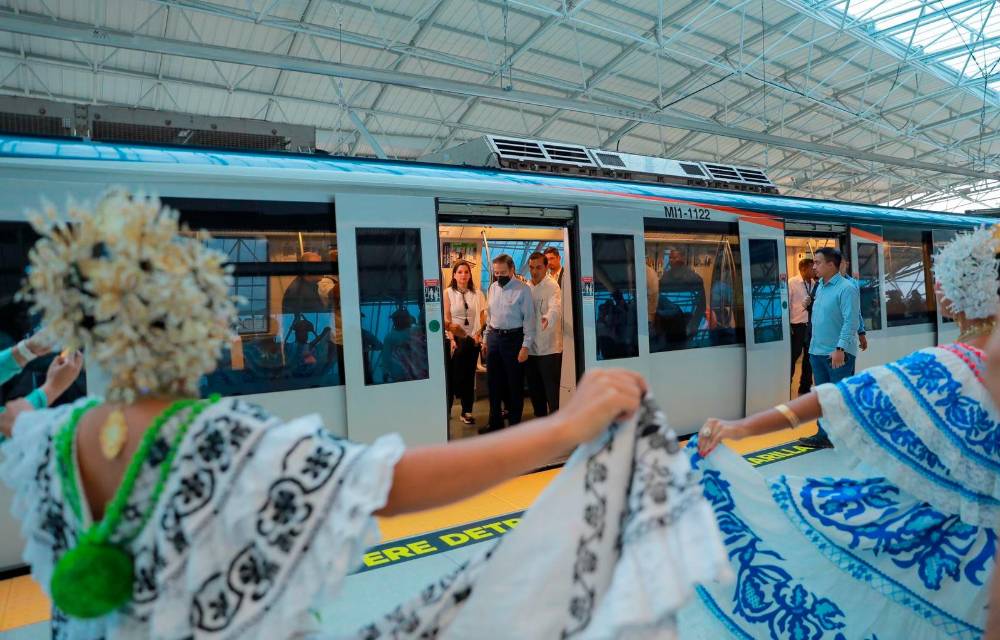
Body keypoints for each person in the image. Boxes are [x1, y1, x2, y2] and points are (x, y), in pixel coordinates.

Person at [0, 192, 726, 639]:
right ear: (195, 320)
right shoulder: (216, 437)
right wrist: (566, 428)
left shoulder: (50, 435)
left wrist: (44, 389)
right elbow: (391, 480)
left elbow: (9, 420)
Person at [685, 227, 1000, 639]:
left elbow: (835, 398)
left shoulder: (942, 366)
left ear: (959, 292)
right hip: (979, 567)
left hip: (941, 553)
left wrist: (740, 427)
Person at [800, 246, 860, 449]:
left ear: (831, 264)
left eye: (817, 263)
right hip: (817, 351)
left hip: (836, 353)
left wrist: (840, 348)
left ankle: (845, 437)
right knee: (823, 398)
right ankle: (823, 435)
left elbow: (850, 321)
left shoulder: (846, 288)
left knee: (838, 398)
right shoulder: (820, 287)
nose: (813, 266)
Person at [481, 254, 535, 434]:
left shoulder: (523, 290)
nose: (499, 276)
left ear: (512, 270)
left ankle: (514, 426)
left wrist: (525, 346)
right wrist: (485, 339)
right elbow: (490, 316)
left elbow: (529, 320)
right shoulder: (493, 288)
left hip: (514, 339)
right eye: (496, 273)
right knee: (493, 383)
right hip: (494, 338)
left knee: (514, 384)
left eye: (503, 272)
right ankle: (494, 422)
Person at [443, 260, 486, 425]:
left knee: (468, 377)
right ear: (454, 275)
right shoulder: (448, 292)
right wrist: (452, 338)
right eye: (460, 272)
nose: (463, 275)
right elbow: (447, 318)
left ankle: (466, 411)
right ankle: (446, 410)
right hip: (454, 339)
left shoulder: (477, 293)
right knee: (451, 377)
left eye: (466, 272)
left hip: (471, 340)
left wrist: (478, 334)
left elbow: (482, 317)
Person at [525, 252, 562, 417]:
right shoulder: (526, 286)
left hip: (549, 349)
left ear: (546, 267)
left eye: (538, 267)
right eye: (531, 268)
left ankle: (556, 427)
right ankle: (540, 422)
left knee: (552, 392)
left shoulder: (552, 285)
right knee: (535, 391)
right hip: (530, 349)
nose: (534, 271)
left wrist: (548, 318)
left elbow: (556, 307)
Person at [656, 247, 706, 348]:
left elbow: (701, 307)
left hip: (685, 328)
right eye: (670, 258)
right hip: (670, 330)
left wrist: (691, 328)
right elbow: (659, 302)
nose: (671, 260)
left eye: (674, 258)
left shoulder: (694, 279)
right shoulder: (664, 279)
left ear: (682, 258)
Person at [787, 258, 815, 395]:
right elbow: (786, 306)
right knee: (793, 356)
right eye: (811, 267)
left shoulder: (814, 283)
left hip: (809, 325)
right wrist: (788, 326)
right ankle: (787, 384)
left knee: (809, 358)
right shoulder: (792, 283)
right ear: (803, 269)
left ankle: (805, 387)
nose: (814, 269)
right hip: (796, 326)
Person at [317, 248, 345, 384]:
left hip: (353, 334)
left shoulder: (343, 277)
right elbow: (336, 294)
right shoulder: (324, 282)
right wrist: (347, 269)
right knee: (342, 373)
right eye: (336, 261)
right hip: (339, 339)